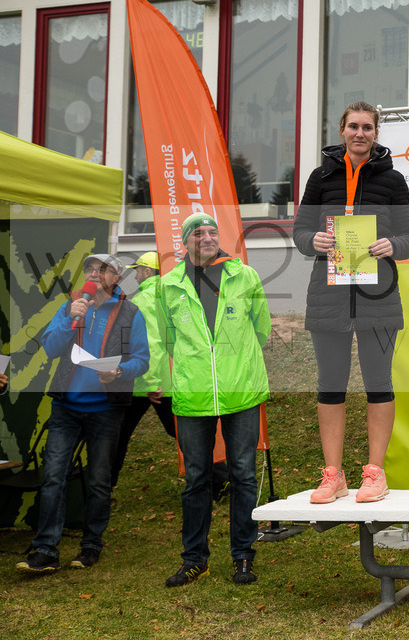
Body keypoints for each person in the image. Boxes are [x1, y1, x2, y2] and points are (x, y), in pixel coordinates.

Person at [292, 101, 409, 504]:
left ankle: (375, 473)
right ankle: (333, 475)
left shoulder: (394, 180)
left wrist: (391, 245)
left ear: (376, 133)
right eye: (353, 126)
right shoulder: (320, 177)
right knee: (330, 386)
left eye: (367, 127)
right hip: (328, 296)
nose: (360, 133)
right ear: (341, 130)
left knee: (379, 384)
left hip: (377, 296)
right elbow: (300, 231)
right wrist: (313, 240)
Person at [156, 212, 270, 587]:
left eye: (211, 231)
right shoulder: (168, 285)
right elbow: (164, 337)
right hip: (193, 393)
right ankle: (195, 559)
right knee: (196, 479)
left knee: (243, 475)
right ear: (185, 242)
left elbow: (262, 327)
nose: (206, 237)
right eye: (197, 233)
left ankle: (243, 557)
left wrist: (233, 361)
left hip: (241, 389)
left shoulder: (244, 276)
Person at [17, 254, 150, 574]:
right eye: (90, 268)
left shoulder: (132, 313)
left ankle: (91, 546)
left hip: (106, 410)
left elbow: (142, 360)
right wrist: (70, 319)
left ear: (116, 277)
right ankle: (46, 549)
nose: (93, 273)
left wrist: (119, 371)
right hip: (67, 407)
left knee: (100, 481)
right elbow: (49, 348)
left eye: (101, 269)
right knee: (53, 477)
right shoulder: (72, 306)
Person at [110, 252, 176, 488]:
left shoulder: (142, 300)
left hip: (146, 383)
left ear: (147, 272)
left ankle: (104, 489)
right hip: (168, 381)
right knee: (180, 432)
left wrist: (150, 383)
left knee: (118, 435)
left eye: (137, 271)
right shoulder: (171, 295)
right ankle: (220, 480)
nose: (135, 276)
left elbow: (150, 344)